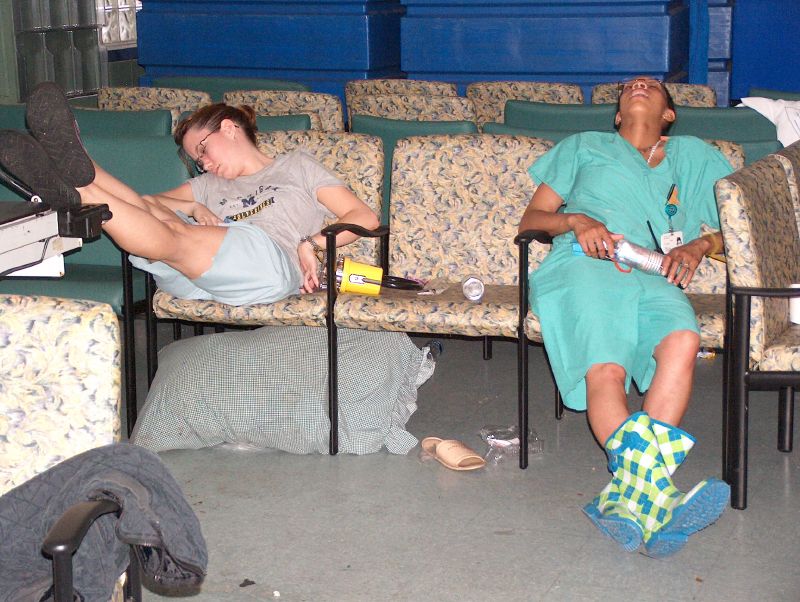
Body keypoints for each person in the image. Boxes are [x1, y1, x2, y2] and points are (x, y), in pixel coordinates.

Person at [518, 77, 733, 557]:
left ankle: (629, 500)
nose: (639, 84)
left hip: (652, 272)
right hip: (583, 263)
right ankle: (658, 498)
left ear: (670, 115)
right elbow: (531, 220)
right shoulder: (583, 147)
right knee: (608, 368)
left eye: (653, 86)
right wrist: (577, 219)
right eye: (631, 87)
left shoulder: (694, 155)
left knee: (682, 339)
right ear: (617, 116)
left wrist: (700, 245)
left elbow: (735, 226)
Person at [0, 82, 379, 306]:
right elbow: (149, 204)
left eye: (204, 150)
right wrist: (196, 205)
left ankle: (81, 183)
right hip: (195, 273)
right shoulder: (207, 186)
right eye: (197, 160)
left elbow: (365, 218)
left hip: (270, 263)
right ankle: (80, 175)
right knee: (154, 212)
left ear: (229, 129)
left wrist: (311, 243)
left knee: (171, 231)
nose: (204, 165)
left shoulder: (296, 165)